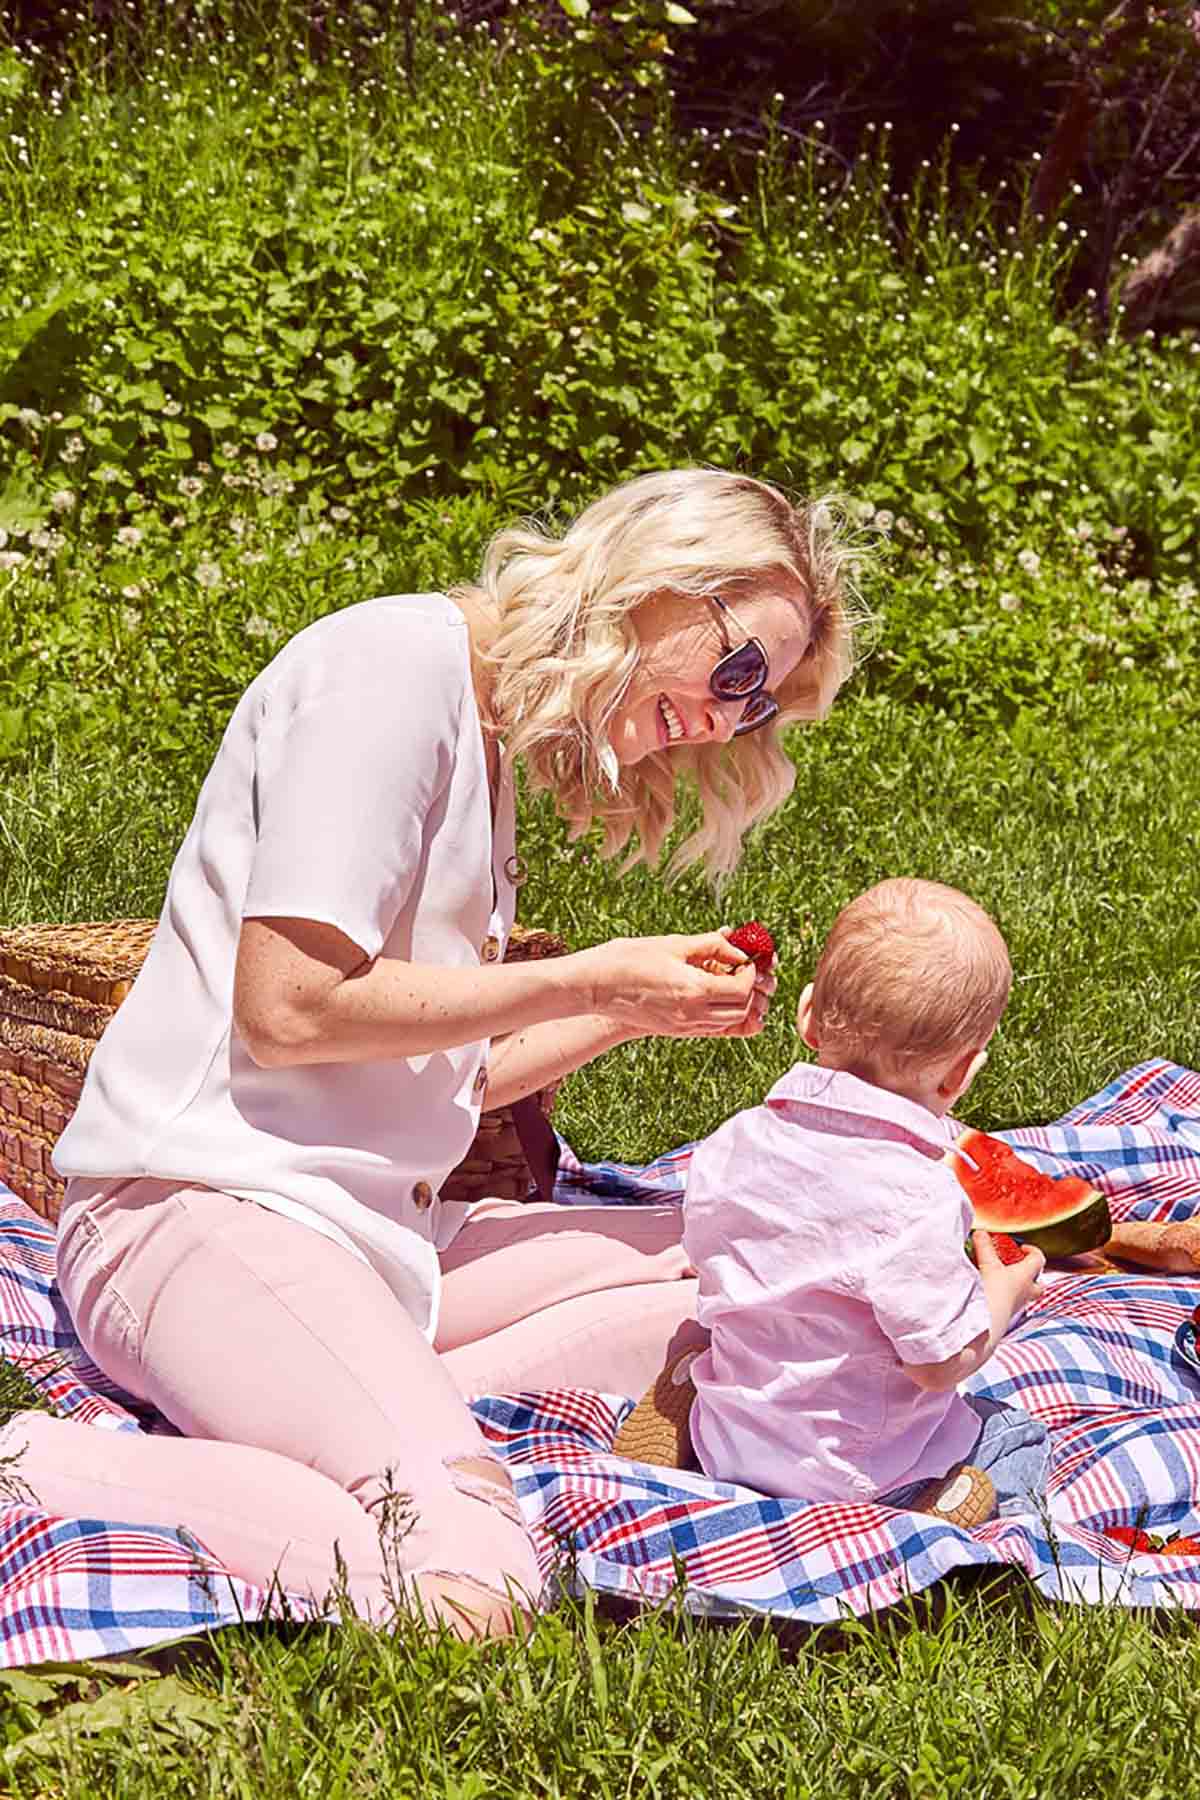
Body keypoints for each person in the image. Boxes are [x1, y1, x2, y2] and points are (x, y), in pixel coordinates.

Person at [0, 468, 864, 1638]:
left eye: (755, 708)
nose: (725, 719)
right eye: (738, 670)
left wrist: (626, 1013)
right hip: (196, 1209)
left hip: (364, 1233)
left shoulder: (487, 724)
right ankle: (34, 1464)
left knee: (744, 1265)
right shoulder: (392, 676)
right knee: (476, 1587)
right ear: (658, 581)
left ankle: (351, 1415)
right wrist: (589, 974)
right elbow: (290, 1009)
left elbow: (430, 1081)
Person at [616, 877, 1050, 1528]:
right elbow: (937, 1364)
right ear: (959, 1074)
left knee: (696, 1340)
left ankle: (678, 1410)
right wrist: (1003, 1294)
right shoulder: (917, 1194)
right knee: (1016, 1437)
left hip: (734, 1441)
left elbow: (707, 1256)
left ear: (809, 1014)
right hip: (865, 1476)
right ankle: (936, 1524)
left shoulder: (735, 1142)